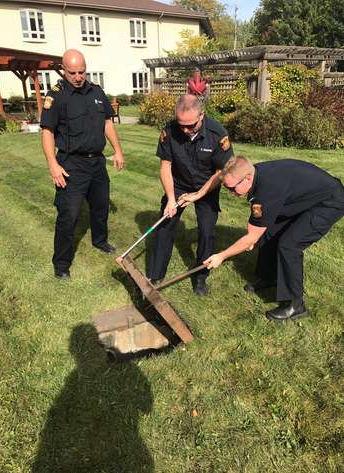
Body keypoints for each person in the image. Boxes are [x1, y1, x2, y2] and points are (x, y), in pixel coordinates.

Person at [184, 155, 344, 320]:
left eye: (232, 188)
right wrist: (198, 194)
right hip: (305, 195)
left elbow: (251, 237)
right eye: (227, 188)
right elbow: (220, 175)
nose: (231, 193)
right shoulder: (251, 173)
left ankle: (296, 305)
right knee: (270, 231)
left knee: (289, 245)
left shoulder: (265, 193)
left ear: (247, 179)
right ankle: (270, 278)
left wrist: (221, 256)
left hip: (328, 202)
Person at [40, 49, 125, 279]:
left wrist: (117, 150)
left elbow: (107, 122)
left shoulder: (96, 92)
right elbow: (47, 132)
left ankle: (100, 241)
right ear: (63, 69)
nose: (78, 77)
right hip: (71, 164)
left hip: (97, 162)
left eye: (82, 71)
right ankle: (61, 264)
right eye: (72, 72)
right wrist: (52, 164)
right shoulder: (56, 96)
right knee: (68, 215)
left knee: (100, 207)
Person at [147, 94, 234, 296]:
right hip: (178, 184)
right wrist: (170, 198)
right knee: (165, 224)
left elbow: (222, 172)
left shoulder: (217, 133)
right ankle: (156, 274)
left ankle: (200, 276)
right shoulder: (169, 131)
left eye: (191, 126)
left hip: (207, 186)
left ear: (202, 115)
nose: (185, 130)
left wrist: (198, 194)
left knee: (206, 231)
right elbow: (165, 166)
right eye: (181, 125)